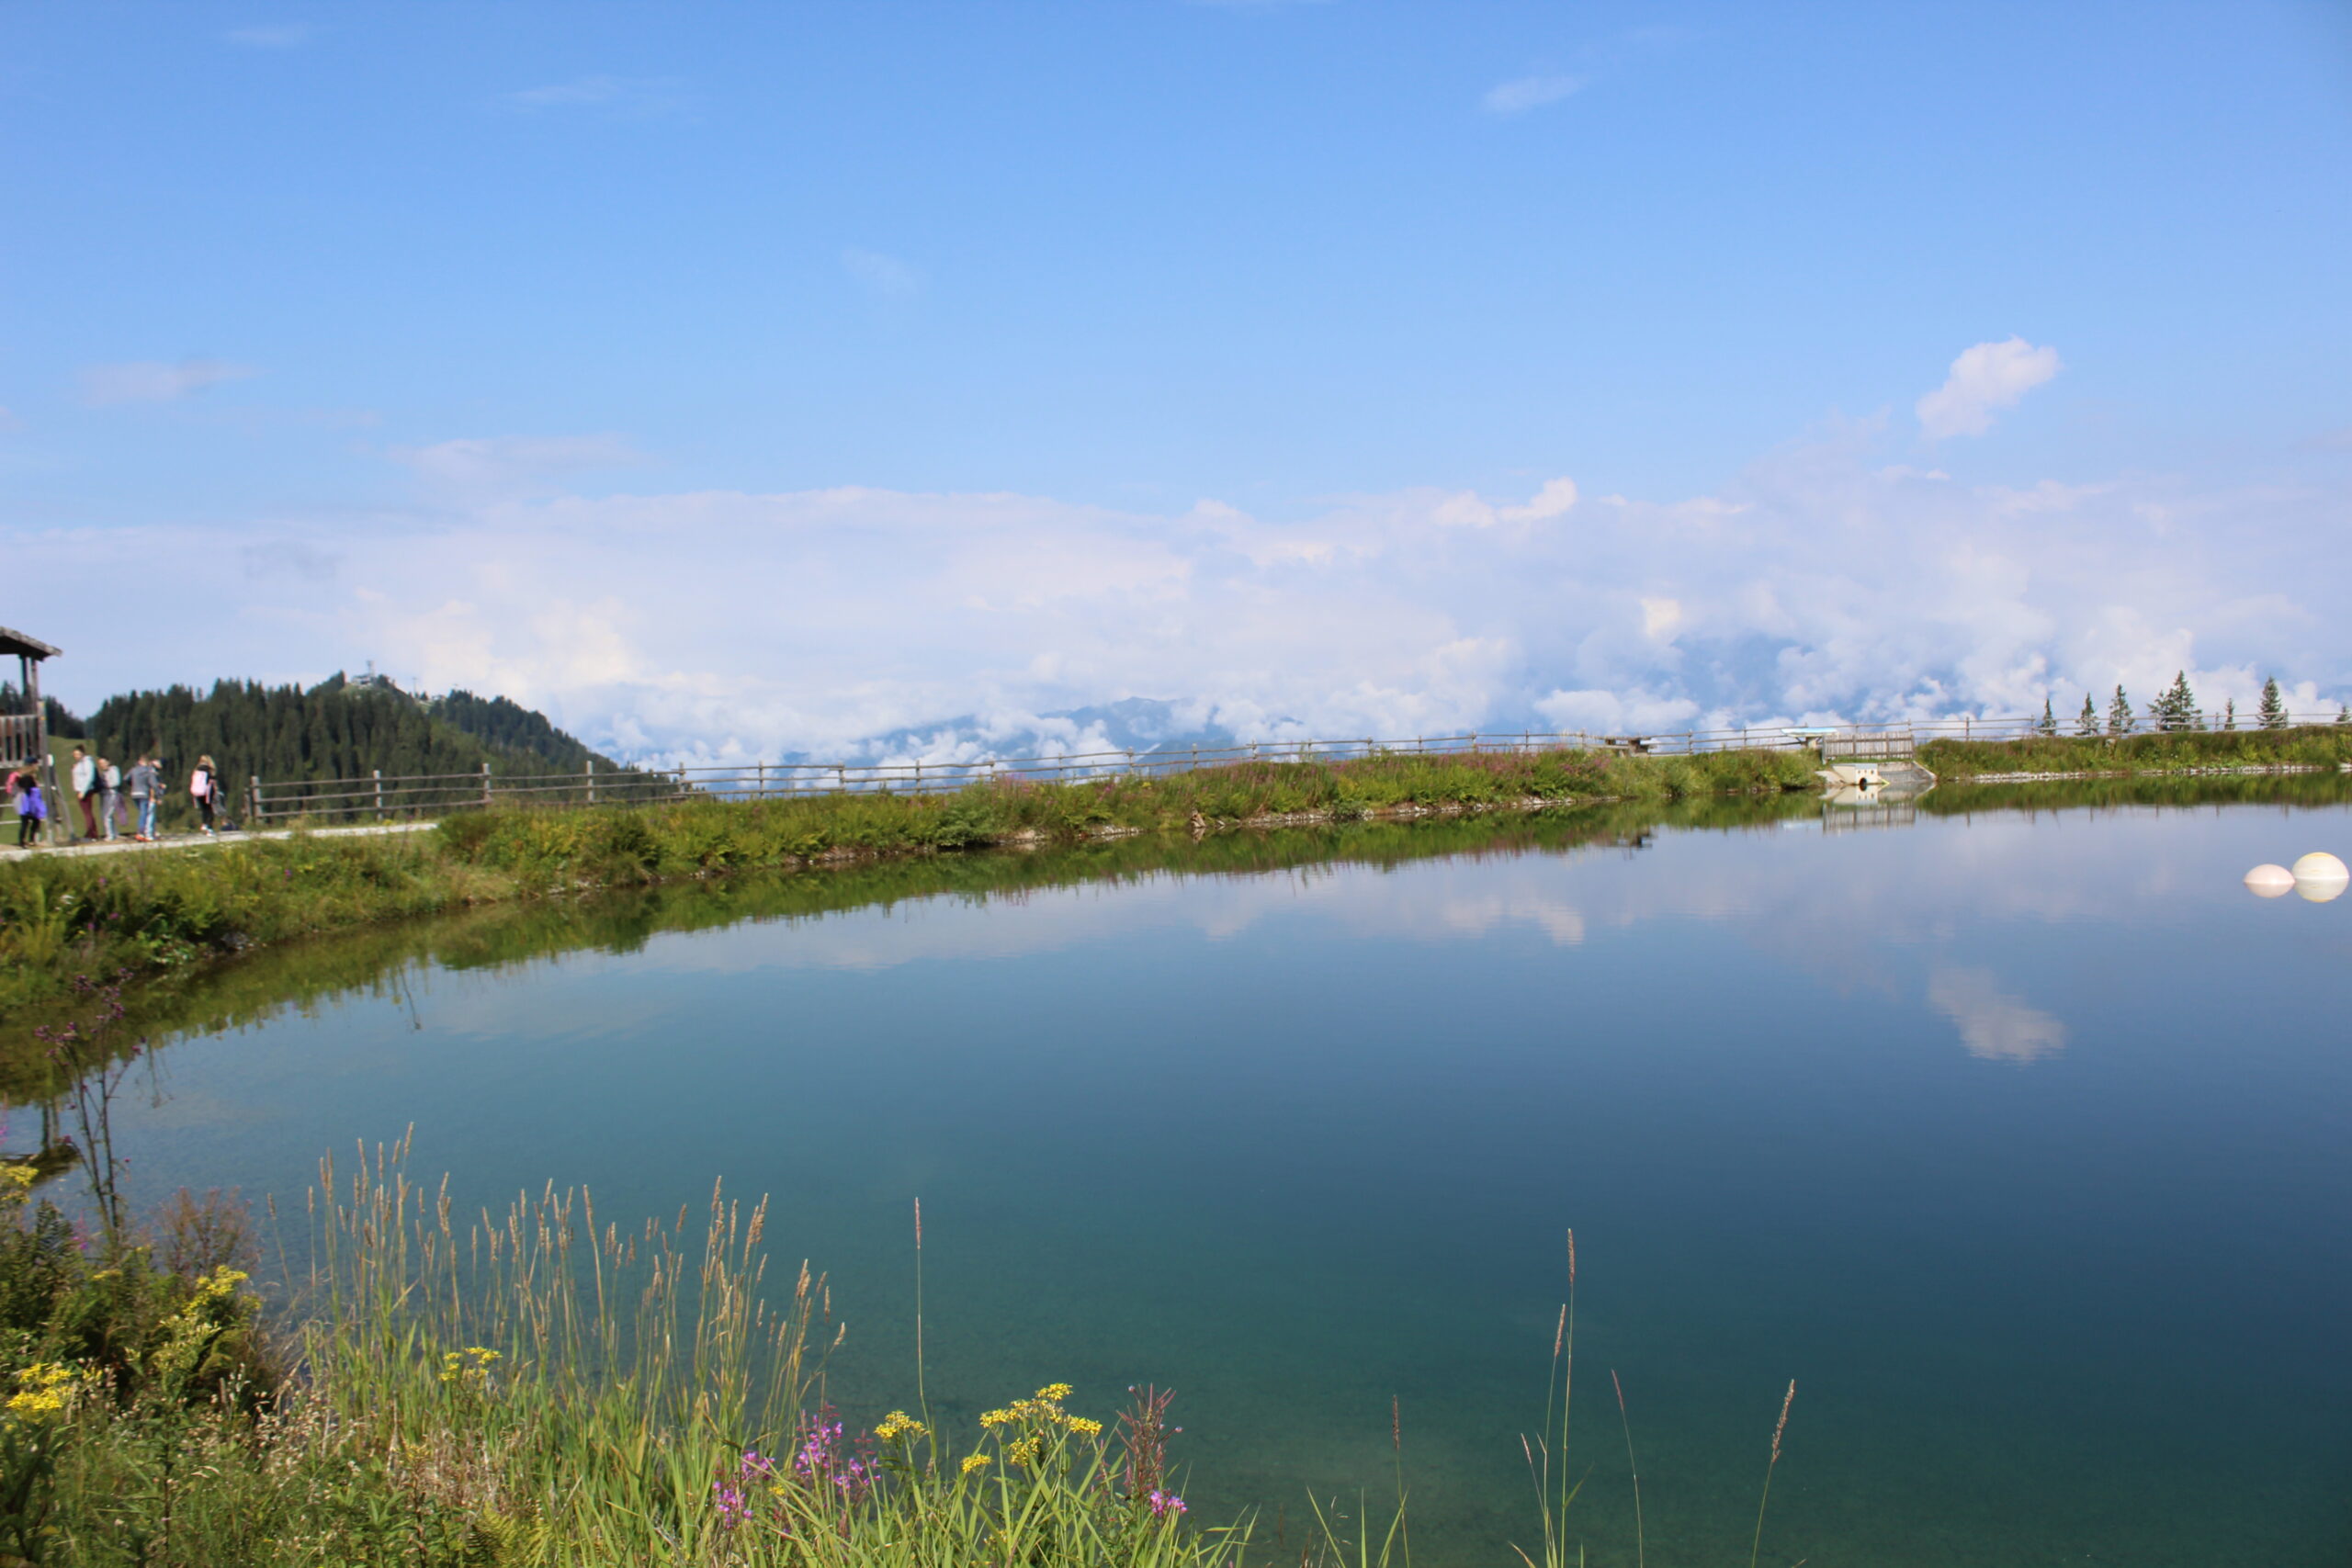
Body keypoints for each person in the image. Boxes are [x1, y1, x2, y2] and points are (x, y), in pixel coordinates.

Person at [129, 753, 162, 842]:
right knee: (144, 813)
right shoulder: (149, 771)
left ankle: (145, 832)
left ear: (140, 761)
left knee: (141, 812)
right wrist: (158, 795)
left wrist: (133, 785)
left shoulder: (133, 770)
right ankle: (141, 832)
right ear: (148, 762)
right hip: (144, 793)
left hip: (134, 793)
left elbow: (126, 778)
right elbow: (154, 785)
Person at [12, 768, 45, 850]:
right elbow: (33, 794)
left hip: (22, 805)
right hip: (30, 806)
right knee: (36, 821)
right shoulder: (30, 781)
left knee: (24, 824)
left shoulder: (20, 780)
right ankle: (31, 839)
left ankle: (21, 841)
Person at [70, 745, 97, 840]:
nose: (76, 756)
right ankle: (92, 832)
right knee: (86, 812)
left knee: (87, 812)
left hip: (85, 790)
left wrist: (83, 791)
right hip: (80, 789)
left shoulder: (87, 762)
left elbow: (89, 777)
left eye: (78, 754)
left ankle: (91, 833)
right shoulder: (79, 763)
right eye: (75, 754)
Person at [190, 754, 219, 835]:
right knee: (209, 809)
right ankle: (209, 828)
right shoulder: (209, 770)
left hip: (198, 792)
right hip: (207, 792)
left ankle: (204, 824)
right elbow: (213, 781)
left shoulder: (197, 770)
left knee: (203, 809)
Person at [97, 756, 121, 841]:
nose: (102, 765)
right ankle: (114, 833)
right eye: (100, 764)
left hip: (112, 794)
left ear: (108, 762)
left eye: (104, 763)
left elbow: (116, 782)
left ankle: (110, 835)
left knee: (107, 815)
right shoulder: (103, 773)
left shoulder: (113, 770)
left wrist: (106, 785)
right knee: (106, 815)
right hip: (105, 794)